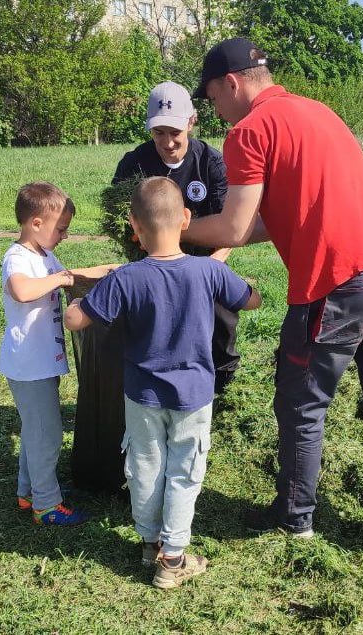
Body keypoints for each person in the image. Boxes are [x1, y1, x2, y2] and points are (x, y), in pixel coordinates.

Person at [183, 38, 363, 549]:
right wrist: (213, 229)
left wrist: (179, 230)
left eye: (213, 99)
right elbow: (271, 220)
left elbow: (231, 226)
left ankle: (295, 517)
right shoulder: (317, 112)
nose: (216, 112)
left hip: (341, 281)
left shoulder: (248, 132)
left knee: (301, 401)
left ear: (232, 83)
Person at [64, 177, 262, 588]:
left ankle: (149, 542)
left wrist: (79, 303)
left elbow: (77, 320)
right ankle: (172, 559)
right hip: (193, 396)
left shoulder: (126, 278)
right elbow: (252, 300)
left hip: (142, 396)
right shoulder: (208, 271)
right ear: (186, 218)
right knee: (185, 470)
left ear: (134, 227)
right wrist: (234, 283)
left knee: (145, 465)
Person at [0, 181, 114, 527]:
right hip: (27, 365)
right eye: (60, 228)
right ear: (36, 223)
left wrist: (109, 271)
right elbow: (21, 290)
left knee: (35, 430)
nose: (64, 235)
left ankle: (28, 492)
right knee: (47, 434)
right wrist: (61, 279)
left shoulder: (46, 255)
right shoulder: (17, 257)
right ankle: (47, 506)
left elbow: (69, 276)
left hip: (41, 364)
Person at [113, 81, 240, 395]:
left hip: (204, 260)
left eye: (175, 132)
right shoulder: (134, 164)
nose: (168, 143)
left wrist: (209, 270)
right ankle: (152, 378)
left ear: (191, 122)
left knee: (220, 316)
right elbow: (120, 221)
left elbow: (229, 226)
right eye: (159, 133)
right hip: (152, 260)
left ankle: (222, 382)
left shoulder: (211, 164)